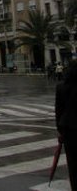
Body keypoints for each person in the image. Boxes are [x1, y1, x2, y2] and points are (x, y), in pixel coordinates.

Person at [55, 61, 77, 190]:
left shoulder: (61, 87)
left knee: (72, 162)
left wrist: (60, 130)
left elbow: (58, 111)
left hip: (68, 129)